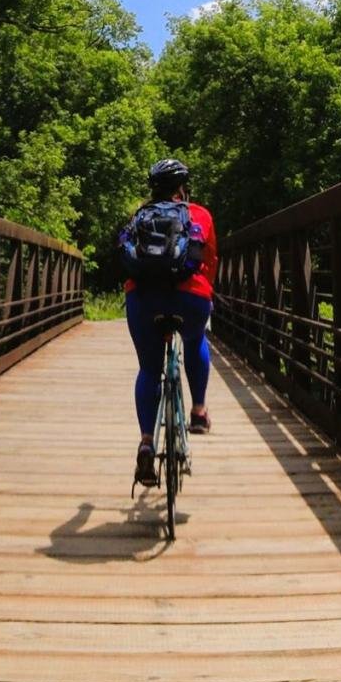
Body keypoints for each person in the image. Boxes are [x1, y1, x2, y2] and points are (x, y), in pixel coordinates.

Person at [123, 158, 218, 488]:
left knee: (149, 370)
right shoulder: (200, 215)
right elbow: (209, 261)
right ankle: (200, 412)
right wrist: (207, 295)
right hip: (191, 299)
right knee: (194, 341)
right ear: (183, 188)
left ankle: (147, 441)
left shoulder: (140, 215)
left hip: (143, 300)